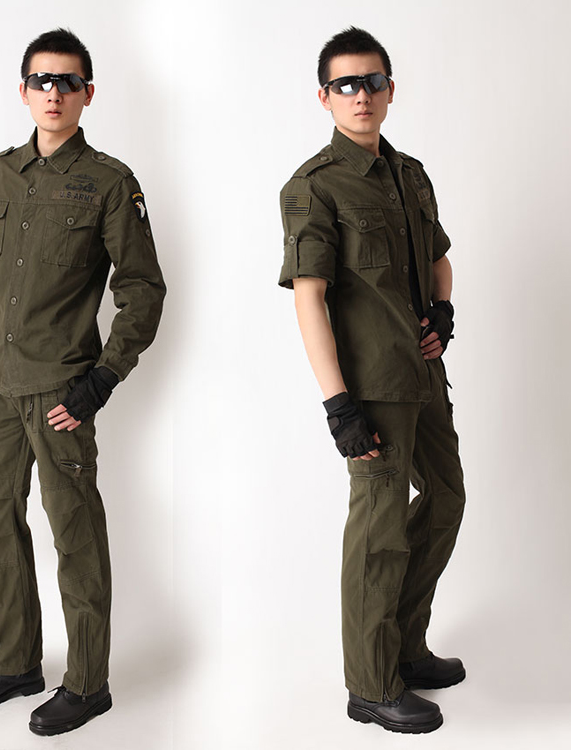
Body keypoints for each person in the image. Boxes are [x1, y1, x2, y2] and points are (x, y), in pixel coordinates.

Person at [0, 28, 166, 736]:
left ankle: (88, 682)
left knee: (74, 532)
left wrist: (101, 380)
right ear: (23, 91)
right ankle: (16, 663)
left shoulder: (109, 182)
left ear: (87, 94)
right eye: (42, 80)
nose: (54, 93)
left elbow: (144, 290)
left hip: (61, 392)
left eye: (68, 82)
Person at [278, 27, 466, 734]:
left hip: (424, 375)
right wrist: (338, 405)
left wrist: (442, 313)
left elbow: (439, 258)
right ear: (324, 97)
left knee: (445, 500)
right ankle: (371, 684)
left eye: (374, 81)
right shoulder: (314, 186)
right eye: (347, 84)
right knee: (379, 531)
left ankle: (406, 645)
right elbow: (309, 296)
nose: (362, 95)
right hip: (372, 388)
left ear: (391, 90)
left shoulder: (410, 174)